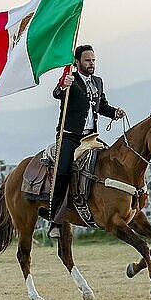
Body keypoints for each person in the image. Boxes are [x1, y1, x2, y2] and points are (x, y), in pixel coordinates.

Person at [49, 44, 125, 238]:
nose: (91, 64)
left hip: (91, 138)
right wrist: (62, 86)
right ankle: (55, 221)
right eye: (87, 60)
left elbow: (102, 106)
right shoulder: (70, 80)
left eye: (93, 60)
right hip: (70, 136)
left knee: (112, 162)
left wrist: (114, 112)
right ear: (77, 62)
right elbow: (57, 94)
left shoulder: (98, 82)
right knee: (63, 172)